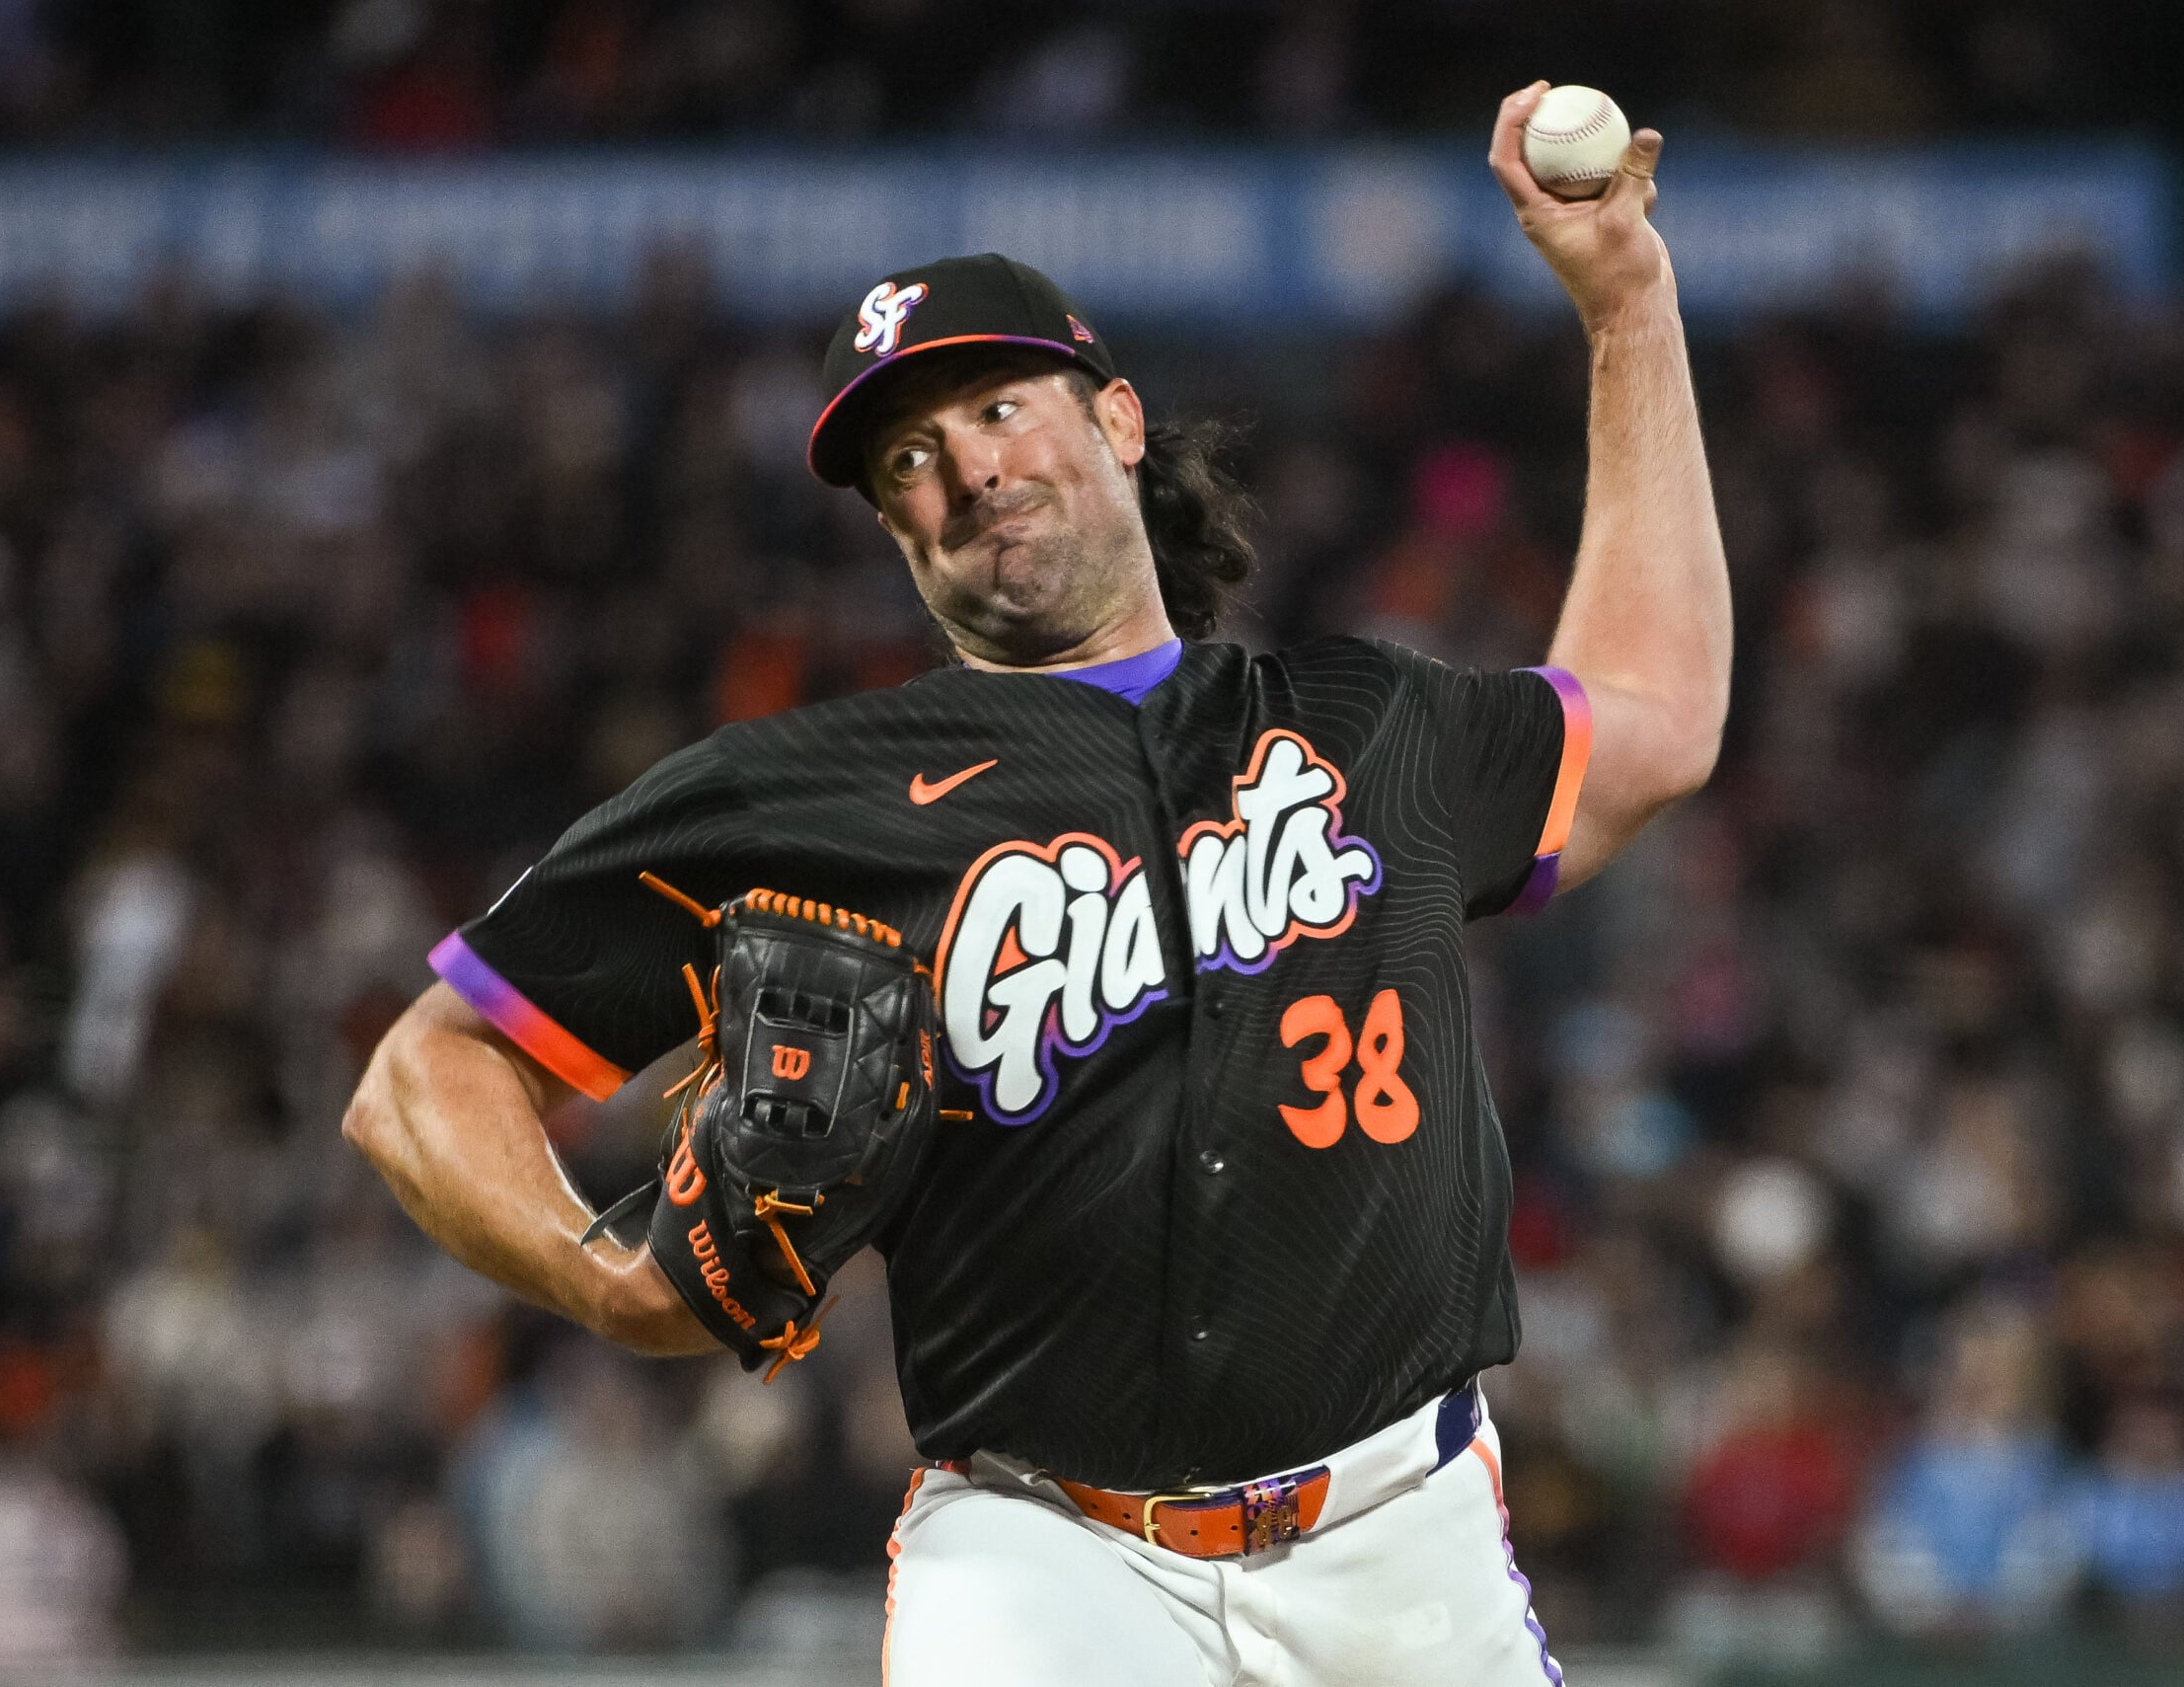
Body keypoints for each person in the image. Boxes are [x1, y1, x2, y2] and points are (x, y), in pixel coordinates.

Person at [342, 82, 1729, 1685]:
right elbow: (418, 1075)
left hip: (1399, 1537)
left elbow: (1659, 716)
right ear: (893, 531)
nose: (966, 470)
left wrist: (1631, 307)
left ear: (1117, 422)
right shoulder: (804, 795)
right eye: (910, 459)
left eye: (999, 409)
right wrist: (607, 1277)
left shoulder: (1370, 727)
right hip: (1042, 1555)